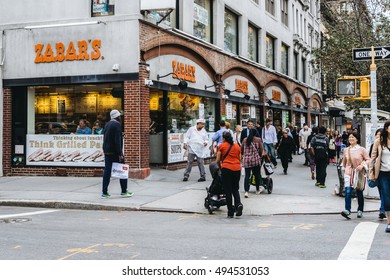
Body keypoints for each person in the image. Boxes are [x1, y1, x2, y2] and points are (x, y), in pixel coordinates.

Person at [101, 109, 133, 198]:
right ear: (117, 117)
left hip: (107, 151)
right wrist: (120, 154)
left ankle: (104, 192)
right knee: (123, 170)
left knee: (107, 171)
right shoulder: (117, 125)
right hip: (115, 152)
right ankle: (124, 191)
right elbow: (117, 141)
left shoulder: (107, 124)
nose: (121, 117)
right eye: (120, 116)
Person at [341, 131, 370, 219]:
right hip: (349, 172)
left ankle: (360, 210)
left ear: (357, 139)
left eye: (353, 137)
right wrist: (344, 171)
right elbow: (344, 163)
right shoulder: (346, 150)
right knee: (348, 191)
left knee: (359, 192)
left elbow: (368, 159)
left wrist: (362, 166)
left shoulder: (362, 149)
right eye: (350, 137)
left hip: (359, 173)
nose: (351, 139)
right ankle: (347, 210)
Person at [216, 131, 243, 218]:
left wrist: (220, 167)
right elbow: (240, 158)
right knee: (235, 189)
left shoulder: (221, 146)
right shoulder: (237, 146)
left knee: (228, 191)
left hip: (226, 169)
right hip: (237, 169)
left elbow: (217, 160)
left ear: (223, 138)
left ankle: (230, 211)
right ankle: (238, 204)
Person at [369, 120, 390, 232]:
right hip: (383, 173)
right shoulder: (379, 141)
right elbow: (372, 158)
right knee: (386, 198)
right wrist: (371, 173)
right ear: (387, 128)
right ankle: (389, 223)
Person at [241, 128, 264, 198]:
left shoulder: (245, 140)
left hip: (246, 160)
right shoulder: (258, 140)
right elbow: (261, 150)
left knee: (247, 176)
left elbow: (241, 150)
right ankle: (257, 189)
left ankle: (246, 191)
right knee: (256, 175)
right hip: (255, 160)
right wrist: (259, 156)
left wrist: (243, 155)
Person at [369, 128, 385, 219]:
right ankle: (383, 208)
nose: (378, 137)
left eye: (380, 135)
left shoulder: (385, 144)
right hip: (377, 171)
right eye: (377, 135)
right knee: (382, 191)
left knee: (384, 191)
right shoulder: (374, 144)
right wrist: (371, 172)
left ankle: (382, 209)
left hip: (385, 170)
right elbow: (372, 157)